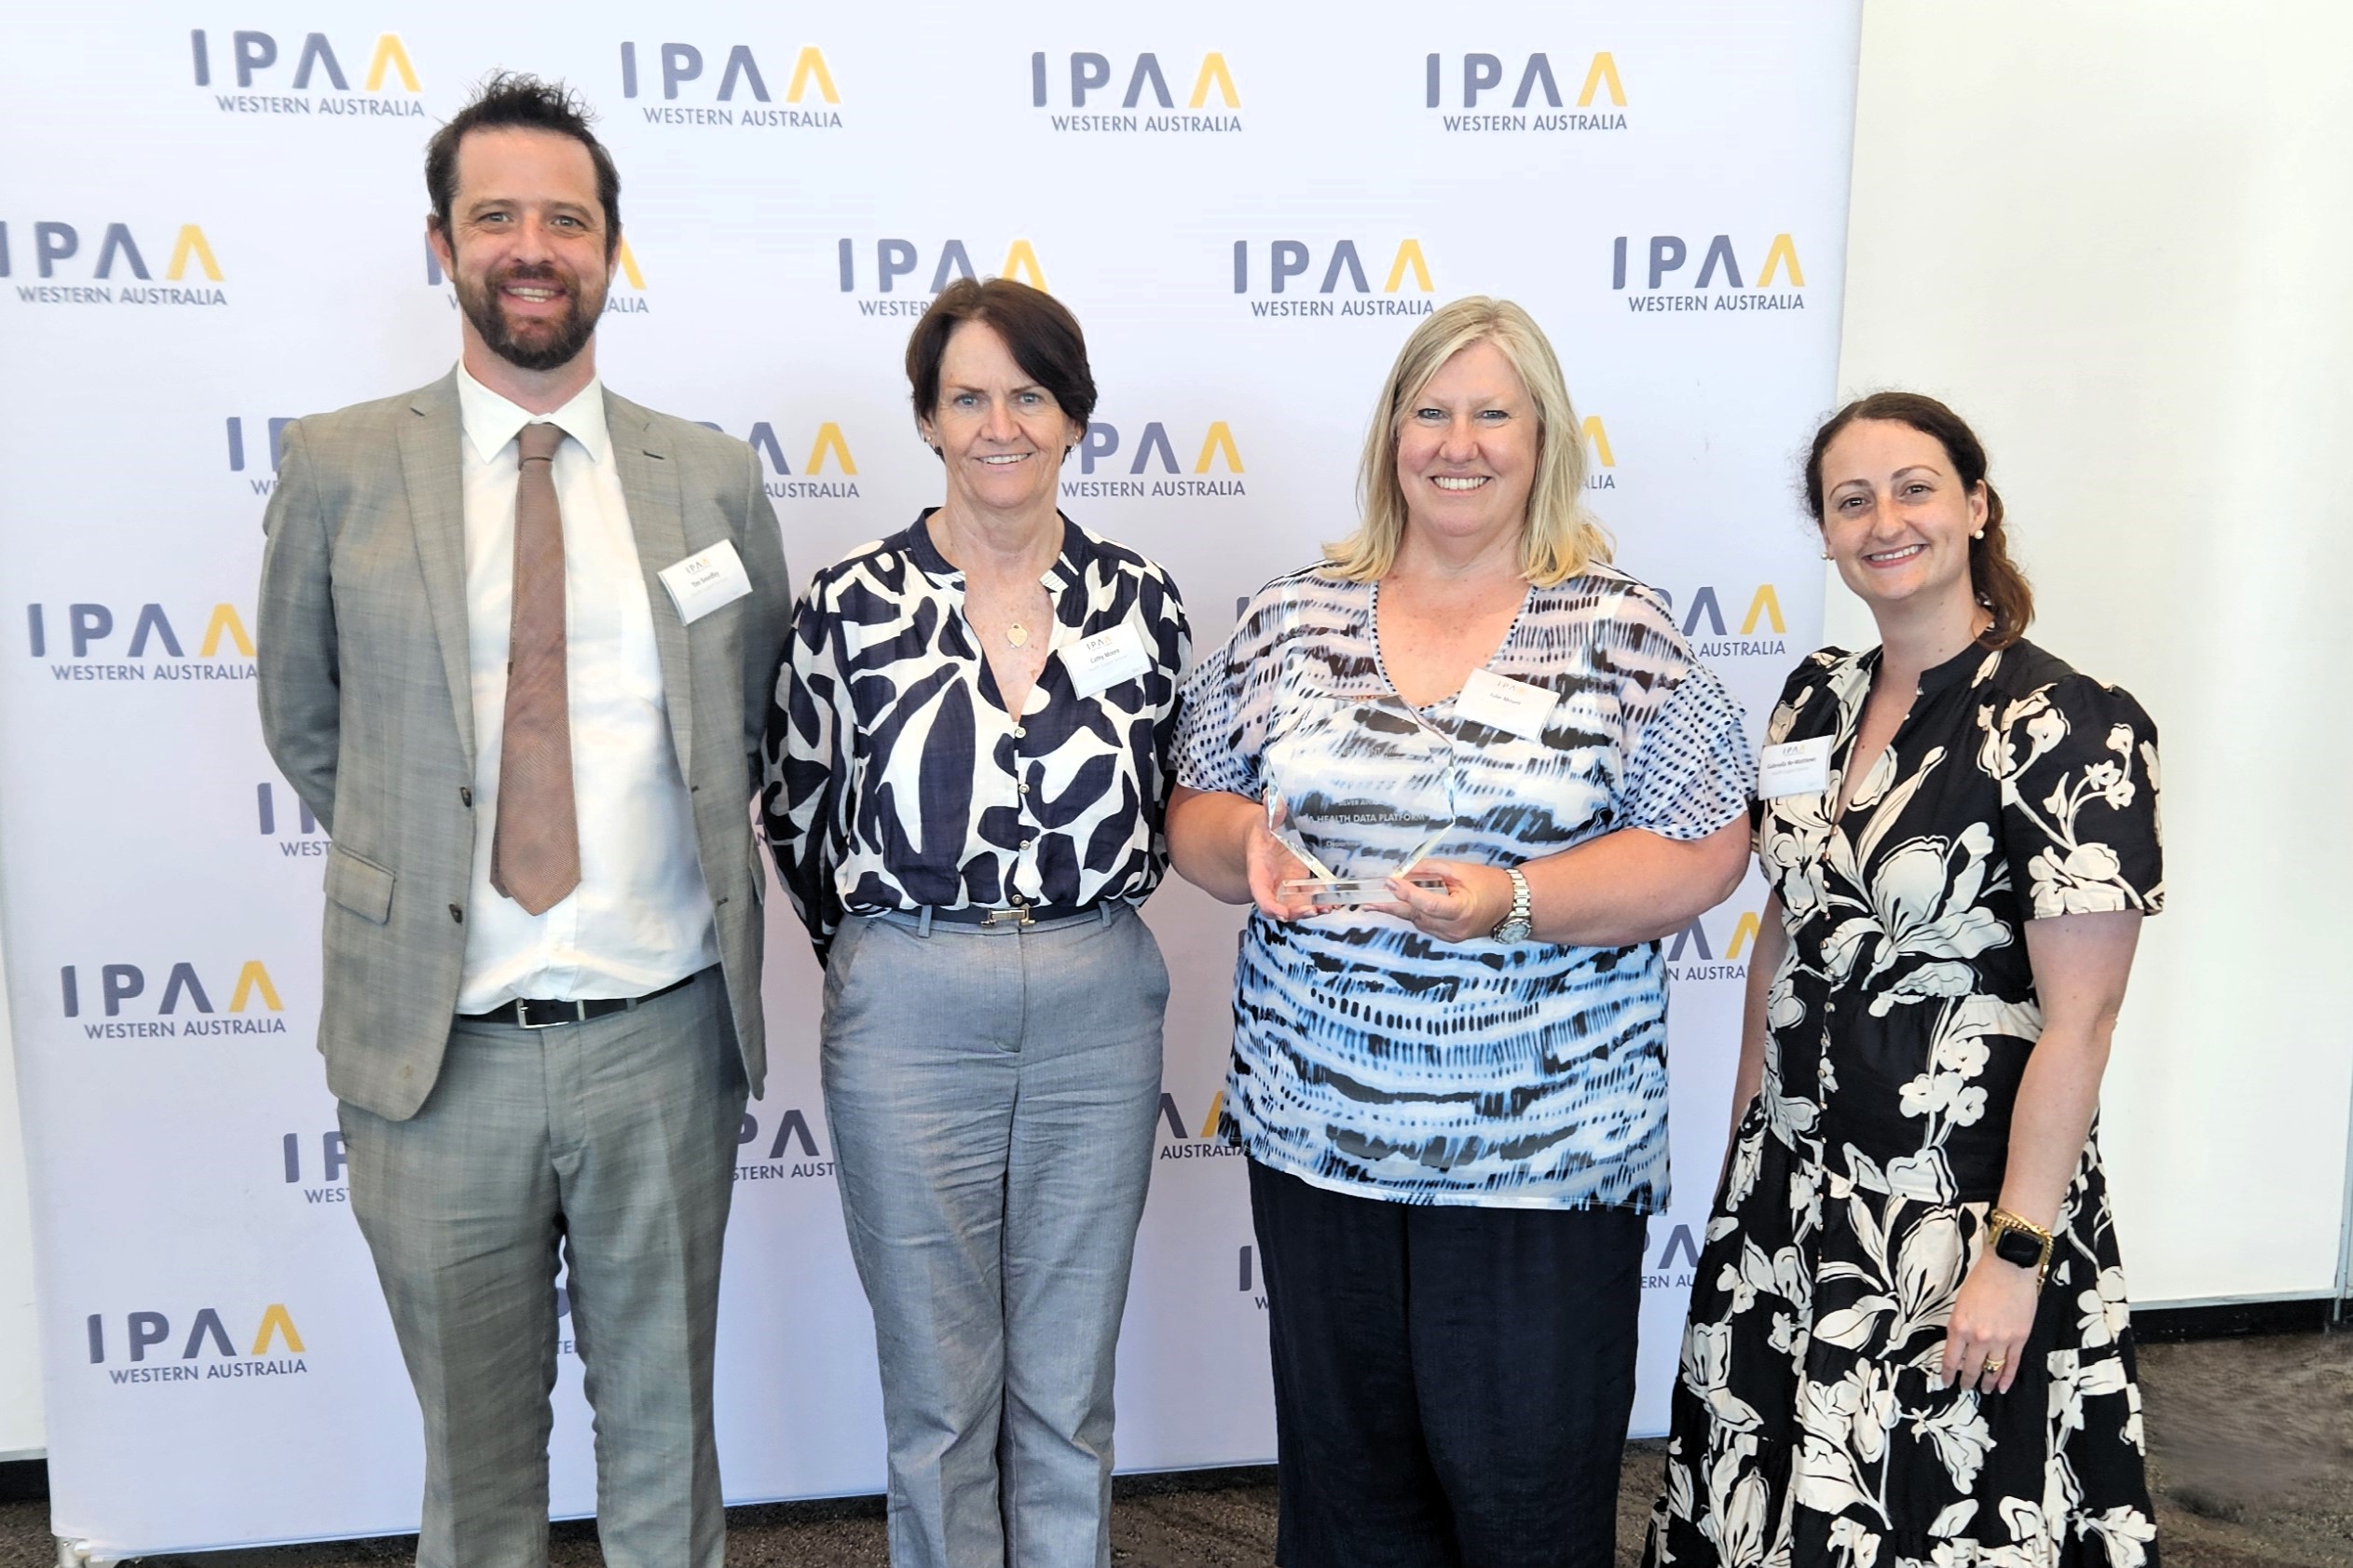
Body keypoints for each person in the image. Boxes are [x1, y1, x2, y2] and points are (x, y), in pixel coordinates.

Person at [255, 74, 792, 1568]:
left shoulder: (714, 478)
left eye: (567, 217)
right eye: (498, 217)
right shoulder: (343, 465)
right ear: (442, 244)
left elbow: (750, 719)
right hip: (439, 1056)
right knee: (475, 1476)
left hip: (662, 1040)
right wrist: (422, 852)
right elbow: (308, 722)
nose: (532, 245)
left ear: (612, 248)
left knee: (667, 1448)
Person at [1166, 296, 1755, 1568]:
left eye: (1493, 412)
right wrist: (1244, 850)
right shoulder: (1292, 614)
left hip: (1540, 1156)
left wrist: (1518, 898)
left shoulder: (1618, 628)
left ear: (1542, 439)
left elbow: (1709, 844)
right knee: (1348, 1506)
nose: (1459, 441)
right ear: (1391, 435)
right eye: (1430, 410)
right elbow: (1196, 802)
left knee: (1526, 1503)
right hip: (1320, 1139)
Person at [1643, 393, 2163, 1568]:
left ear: (1975, 508)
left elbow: (2081, 1021)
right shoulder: (1813, 697)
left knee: (1929, 1508)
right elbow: (1782, 927)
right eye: (1851, 499)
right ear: (1825, 532)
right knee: (1756, 1488)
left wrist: (2014, 1256)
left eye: (1914, 487)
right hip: (1788, 1184)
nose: (1885, 520)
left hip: (1952, 1202)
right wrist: (1741, 1153)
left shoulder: (2065, 725)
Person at [762, 277, 1190, 1568]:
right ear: (929, 420)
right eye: (966, 396)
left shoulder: (1143, 600)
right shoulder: (849, 602)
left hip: (1094, 1001)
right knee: (938, 1396)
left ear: (1072, 417)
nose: (998, 422)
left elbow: (1171, 799)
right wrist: (894, 953)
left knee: (1068, 1387)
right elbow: (795, 809)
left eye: (1028, 393)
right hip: (909, 1001)